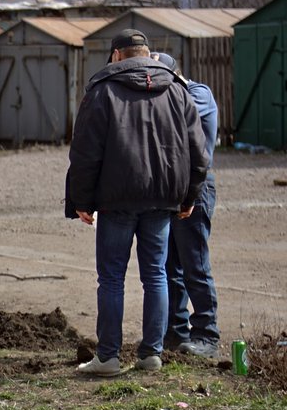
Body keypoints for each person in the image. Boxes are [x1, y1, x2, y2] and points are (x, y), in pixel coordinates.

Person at [66, 29, 209, 376]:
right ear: (147, 53)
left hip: (116, 199)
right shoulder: (178, 90)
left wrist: (80, 200)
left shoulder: (102, 91)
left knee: (112, 278)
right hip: (162, 198)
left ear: (116, 56)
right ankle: (151, 354)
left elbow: (85, 152)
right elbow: (198, 151)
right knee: (155, 275)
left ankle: (109, 357)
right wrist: (189, 196)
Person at [152, 52, 221, 359]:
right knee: (169, 266)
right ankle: (176, 332)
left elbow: (178, 124)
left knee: (195, 264)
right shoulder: (172, 96)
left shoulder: (198, 93)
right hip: (170, 189)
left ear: (175, 77)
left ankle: (206, 334)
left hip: (196, 188)